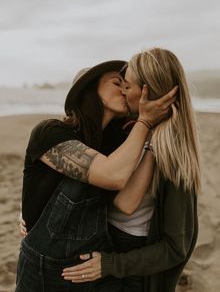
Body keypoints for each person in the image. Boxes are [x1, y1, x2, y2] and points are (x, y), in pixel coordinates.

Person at [16, 59, 176, 292]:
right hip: (42, 268)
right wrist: (146, 121)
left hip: (90, 265)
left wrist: (152, 133)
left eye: (127, 84)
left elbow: (127, 203)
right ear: (89, 89)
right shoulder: (50, 132)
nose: (125, 89)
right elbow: (113, 176)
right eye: (117, 82)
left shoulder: (120, 144)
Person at [62, 48, 201, 292]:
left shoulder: (172, 154)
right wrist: (30, 211)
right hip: (100, 240)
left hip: (130, 261)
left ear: (149, 92)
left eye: (128, 85)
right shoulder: (124, 128)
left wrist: (111, 264)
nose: (123, 91)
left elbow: (176, 248)